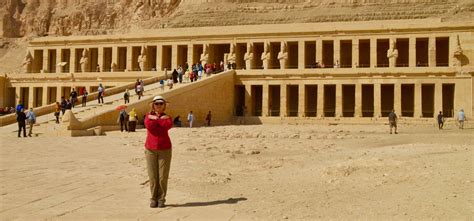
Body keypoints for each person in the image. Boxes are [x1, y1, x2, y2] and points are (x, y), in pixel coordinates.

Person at [144, 95, 173, 208]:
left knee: (162, 176)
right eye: (157, 103)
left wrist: (156, 120)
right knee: (153, 176)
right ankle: (153, 198)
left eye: (161, 103)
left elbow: (167, 126)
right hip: (150, 148)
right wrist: (159, 121)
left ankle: (161, 199)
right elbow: (150, 126)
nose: (159, 106)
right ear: (153, 105)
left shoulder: (167, 117)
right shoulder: (148, 116)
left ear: (164, 105)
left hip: (165, 149)